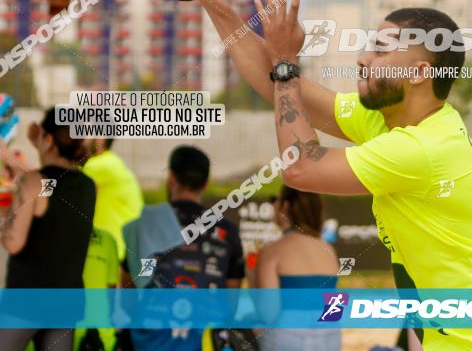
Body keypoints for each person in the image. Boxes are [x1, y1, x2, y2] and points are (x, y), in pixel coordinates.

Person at [168, 0, 472, 350]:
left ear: (419, 73)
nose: (362, 59)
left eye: (381, 51)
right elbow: (278, 89)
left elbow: (300, 167)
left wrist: (286, 61)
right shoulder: (388, 120)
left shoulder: (421, 148)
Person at [118, 145, 246, 351]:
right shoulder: (227, 230)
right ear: (206, 183)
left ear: (171, 178)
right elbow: (230, 305)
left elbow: (127, 299)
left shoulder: (146, 224)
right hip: (206, 343)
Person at [0, 107, 96, 351]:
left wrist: (7, 217)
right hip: (66, 304)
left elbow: (13, 242)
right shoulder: (88, 186)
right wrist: (43, 144)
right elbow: (54, 198)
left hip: (26, 302)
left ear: (49, 139)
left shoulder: (34, 181)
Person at [255, 187, 340, 351]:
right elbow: (333, 311)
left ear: (285, 206)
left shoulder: (272, 251)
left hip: (288, 339)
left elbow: (267, 313)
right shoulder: (328, 250)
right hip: (330, 337)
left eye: (275, 199)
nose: (272, 205)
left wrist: (253, 275)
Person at [83, 136, 144, 260]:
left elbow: (49, 187)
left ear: (101, 137)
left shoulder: (100, 166)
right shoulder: (112, 161)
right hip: (125, 251)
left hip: (113, 254)